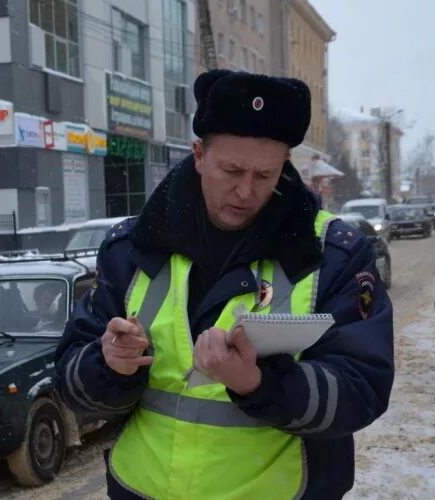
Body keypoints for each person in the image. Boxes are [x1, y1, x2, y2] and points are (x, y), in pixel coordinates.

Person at [55, 70, 394, 500]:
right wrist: (108, 365)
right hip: (142, 490)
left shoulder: (334, 255)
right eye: (231, 169)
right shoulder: (133, 247)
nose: (246, 191)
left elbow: (362, 389)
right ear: (198, 154)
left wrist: (260, 384)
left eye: (265, 175)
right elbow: (70, 384)